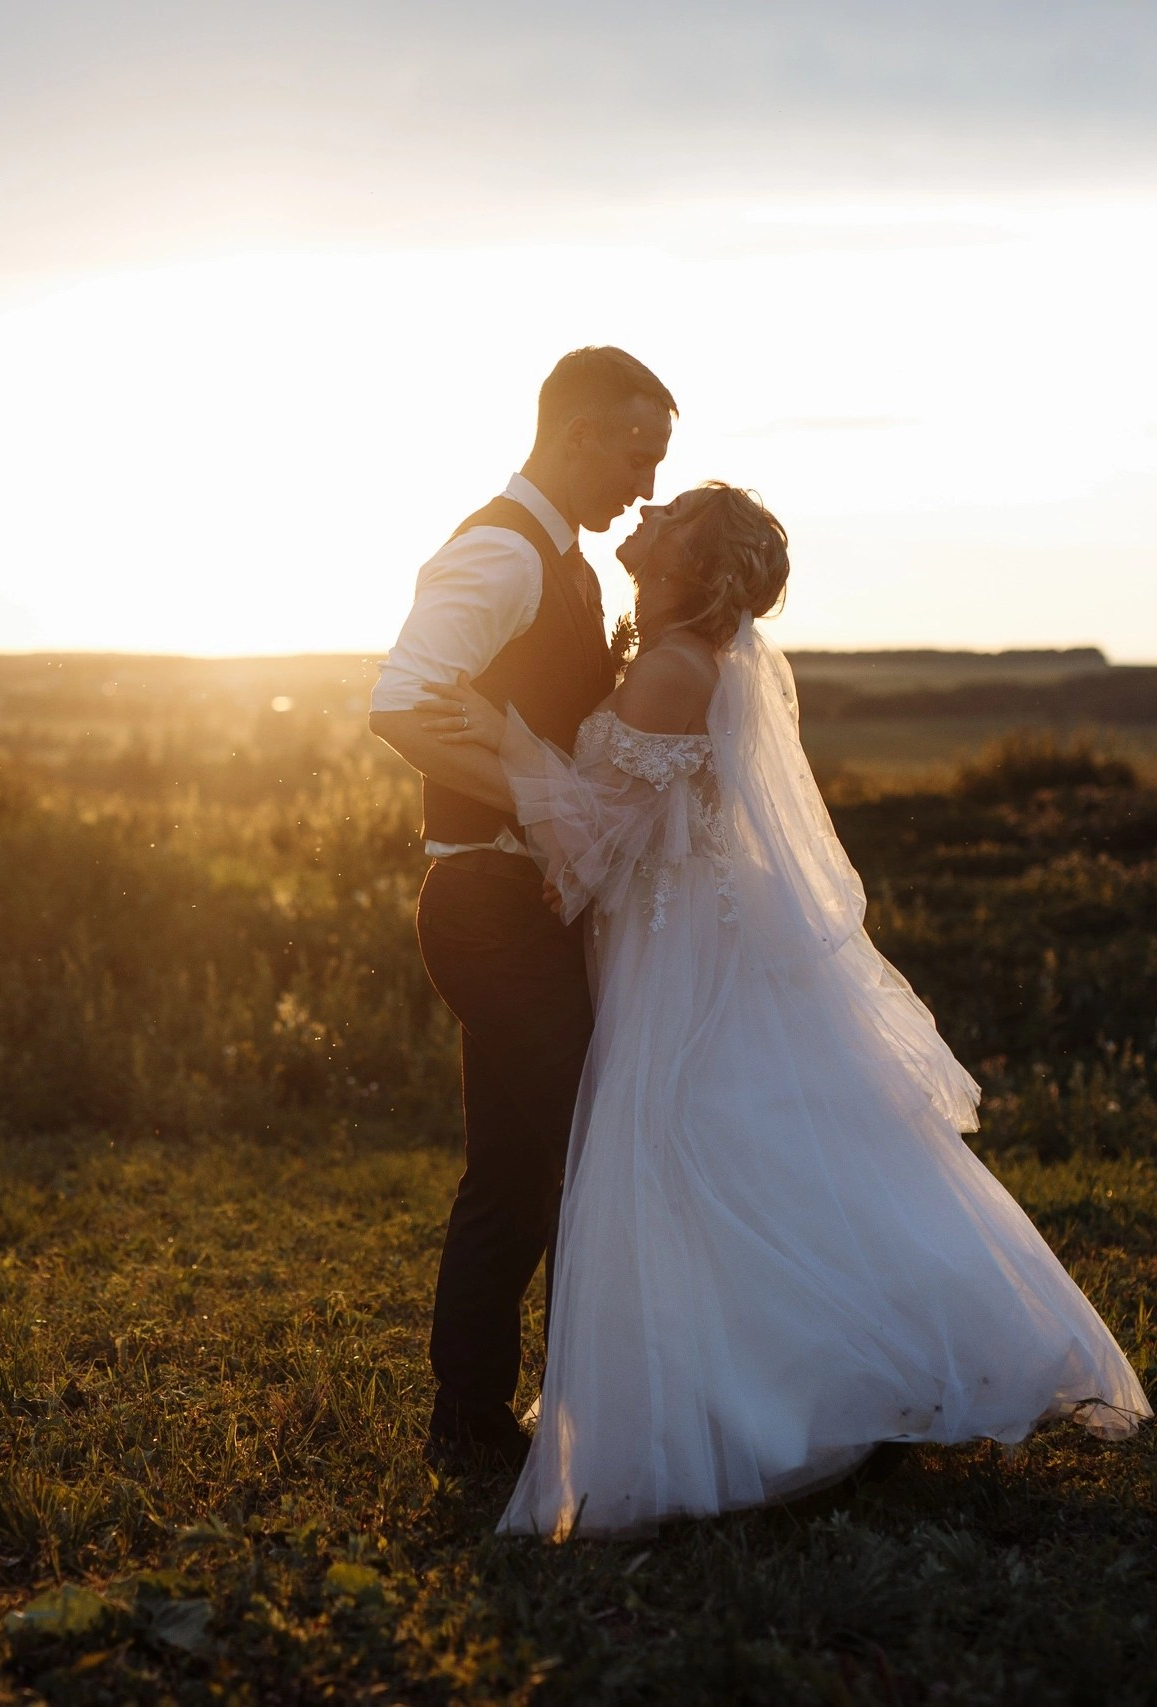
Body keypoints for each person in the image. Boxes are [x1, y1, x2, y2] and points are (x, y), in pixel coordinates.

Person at [417, 484, 1151, 1537]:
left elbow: (593, 833)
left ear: (690, 564)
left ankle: (792, 1399)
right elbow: (622, 819)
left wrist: (503, 741)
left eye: (668, 516)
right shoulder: (676, 660)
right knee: (743, 1154)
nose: (649, 511)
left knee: (688, 1154)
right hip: (686, 931)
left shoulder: (673, 670)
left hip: (680, 948)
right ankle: (810, 1377)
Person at [368, 346, 675, 1470]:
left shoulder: (570, 561)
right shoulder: (500, 552)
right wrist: (546, 810)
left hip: (526, 898)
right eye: (637, 453)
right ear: (578, 432)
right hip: (485, 897)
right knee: (565, 1148)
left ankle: (475, 1419)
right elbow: (400, 703)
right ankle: (523, 1419)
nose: (643, 484)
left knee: (520, 1159)